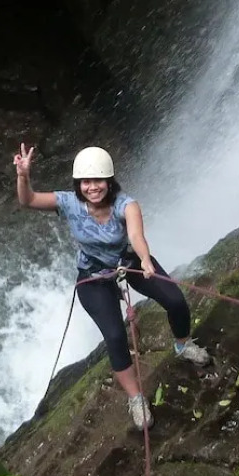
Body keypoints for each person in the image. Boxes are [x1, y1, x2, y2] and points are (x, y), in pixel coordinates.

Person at [13, 142, 209, 429]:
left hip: (129, 262)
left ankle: (182, 345)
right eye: (87, 182)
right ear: (79, 184)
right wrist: (23, 175)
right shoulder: (68, 203)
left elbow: (136, 234)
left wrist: (144, 260)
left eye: (99, 181)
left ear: (110, 181)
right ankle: (135, 398)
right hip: (93, 276)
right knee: (115, 337)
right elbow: (27, 200)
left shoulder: (126, 205)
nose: (93, 187)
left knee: (175, 301)